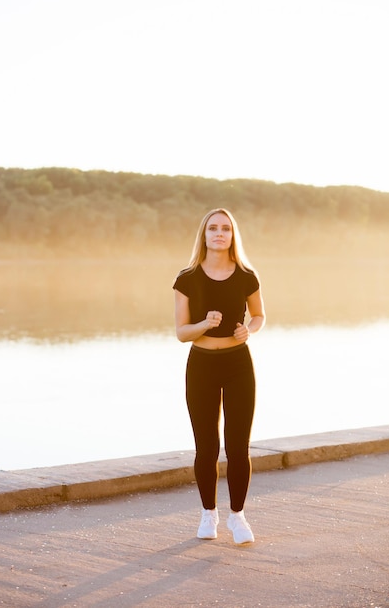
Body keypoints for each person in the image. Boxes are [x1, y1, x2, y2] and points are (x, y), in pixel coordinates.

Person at [173, 208, 266, 545]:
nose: (219, 233)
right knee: (206, 446)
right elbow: (182, 332)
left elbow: (259, 315)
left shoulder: (246, 275)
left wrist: (248, 331)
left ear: (232, 235)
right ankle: (208, 513)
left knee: (238, 447)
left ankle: (237, 517)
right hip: (201, 365)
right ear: (204, 235)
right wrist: (204, 325)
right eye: (213, 228)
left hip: (238, 363)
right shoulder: (187, 278)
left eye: (225, 228)